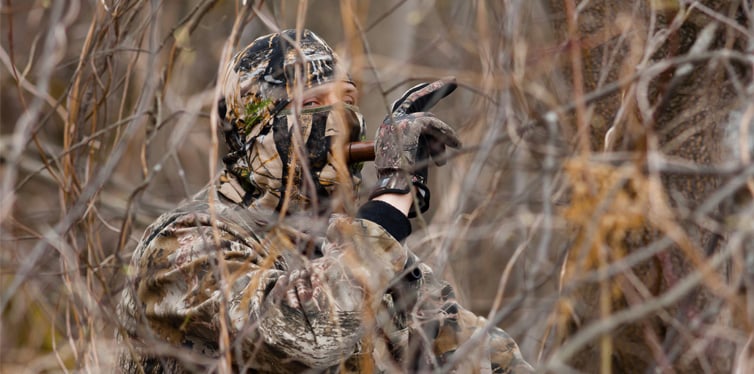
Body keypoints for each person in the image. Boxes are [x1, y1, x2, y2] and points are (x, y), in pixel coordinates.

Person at [117, 28, 533, 373]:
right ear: (254, 127)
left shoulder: (342, 240)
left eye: (347, 100)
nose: (339, 120)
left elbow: (480, 356)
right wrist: (389, 202)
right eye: (311, 104)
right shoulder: (183, 242)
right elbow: (305, 335)